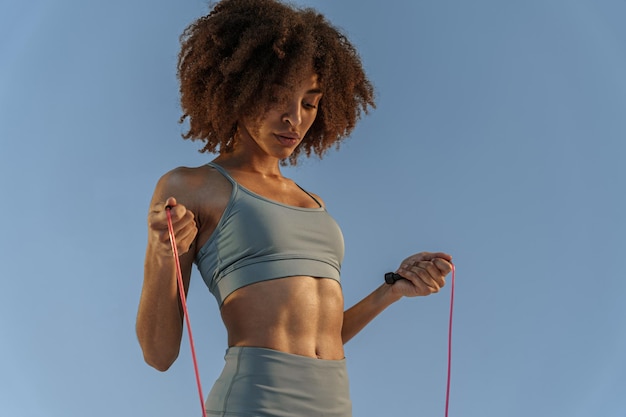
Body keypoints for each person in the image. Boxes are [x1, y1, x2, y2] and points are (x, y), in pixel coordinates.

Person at [135, 0, 453, 416]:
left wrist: (389, 293)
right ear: (239, 89)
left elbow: (321, 336)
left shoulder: (314, 204)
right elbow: (158, 354)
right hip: (254, 401)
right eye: (276, 97)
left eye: (309, 102)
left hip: (335, 402)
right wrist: (166, 254)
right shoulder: (192, 186)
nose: (294, 119)